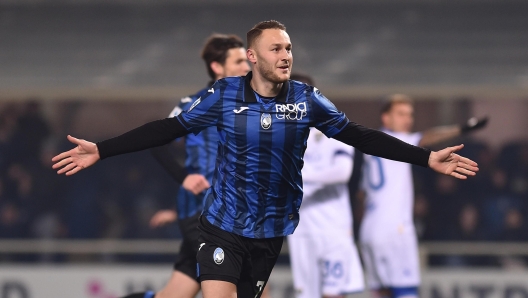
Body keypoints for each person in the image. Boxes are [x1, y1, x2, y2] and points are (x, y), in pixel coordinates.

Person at [52, 20, 478, 298]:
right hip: (221, 225)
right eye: (275, 48)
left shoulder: (307, 99)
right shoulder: (224, 95)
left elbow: (360, 136)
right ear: (252, 57)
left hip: (271, 231)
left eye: (288, 47)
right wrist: (103, 149)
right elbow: (167, 130)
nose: (285, 55)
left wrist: (425, 158)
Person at [122, 34, 250, 298]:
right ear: (217, 67)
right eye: (239, 61)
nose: (246, 66)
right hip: (203, 217)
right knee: (236, 287)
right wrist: (184, 179)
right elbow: (158, 143)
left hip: (230, 217)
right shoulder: (195, 104)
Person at [358, 94, 487, 298]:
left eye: (410, 115)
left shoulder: (368, 144)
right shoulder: (396, 140)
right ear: (386, 119)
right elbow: (427, 137)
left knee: (382, 292)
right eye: (401, 114)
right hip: (395, 229)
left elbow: (360, 194)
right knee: (406, 291)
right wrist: (462, 129)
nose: (407, 120)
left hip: (370, 230)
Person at [287, 73, 364, 298]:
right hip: (300, 232)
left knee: (334, 294)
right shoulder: (281, 136)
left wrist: (298, 175)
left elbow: (342, 172)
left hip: (333, 229)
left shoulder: (334, 128)